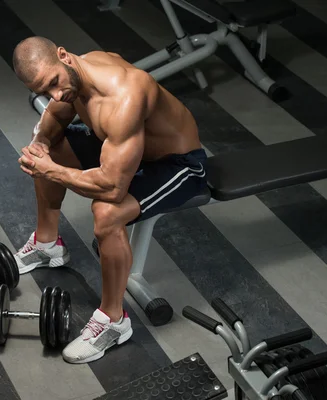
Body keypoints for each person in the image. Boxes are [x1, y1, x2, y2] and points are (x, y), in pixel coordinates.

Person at [12, 36, 207, 364]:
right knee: (53, 149)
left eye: (55, 84)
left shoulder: (126, 93)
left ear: (64, 55)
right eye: (44, 92)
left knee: (106, 213)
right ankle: (47, 245)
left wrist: (51, 170)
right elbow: (57, 117)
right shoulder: (75, 72)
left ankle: (113, 322)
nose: (55, 96)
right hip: (129, 148)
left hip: (178, 163)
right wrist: (41, 144)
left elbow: (113, 188)